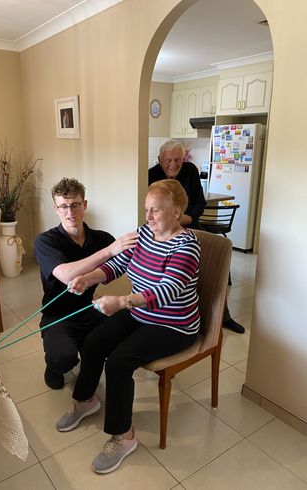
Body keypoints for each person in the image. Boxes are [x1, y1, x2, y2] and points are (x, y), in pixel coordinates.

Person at [56, 179, 201, 474]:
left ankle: (125, 437)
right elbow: (119, 263)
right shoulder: (146, 233)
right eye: (146, 209)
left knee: (119, 362)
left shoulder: (187, 247)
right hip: (141, 313)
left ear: (176, 212)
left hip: (174, 324)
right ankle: (85, 400)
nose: (147, 217)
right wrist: (91, 278)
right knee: (95, 341)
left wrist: (121, 302)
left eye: (155, 211)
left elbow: (165, 292)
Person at [34, 177, 137, 390]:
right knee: (64, 359)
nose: (70, 212)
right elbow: (65, 275)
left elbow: (131, 261)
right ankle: (54, 366)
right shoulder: (45, 241)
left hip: (90, 310)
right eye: (63, 206)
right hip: (58, 315)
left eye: (75, 205)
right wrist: (109, 251)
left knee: (122, 341)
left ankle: (87, 348)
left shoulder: (101, 238)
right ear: (56, 209)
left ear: (85, 205)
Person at [149, 138, 245, 334]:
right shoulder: (151, 175)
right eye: (168, 160)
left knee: (216, 258)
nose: (173, 165)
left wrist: (186, 217)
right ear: (160, 159)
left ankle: (223, 316)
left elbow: (200, 203)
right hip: (163, 229)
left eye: (178, 159)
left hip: (189, 223)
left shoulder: (190, 170)